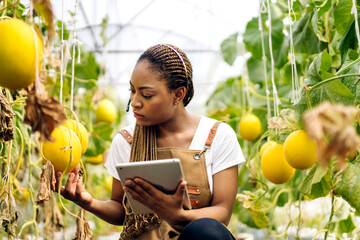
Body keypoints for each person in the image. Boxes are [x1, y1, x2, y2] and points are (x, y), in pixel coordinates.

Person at [55, 44, 245, 240]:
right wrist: (89, 202)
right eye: (132, 91)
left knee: (207, 231)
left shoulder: (217, 136)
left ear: (178, 95)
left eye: (146, 95)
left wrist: (179, 216)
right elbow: (121, 210)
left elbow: (223, 211)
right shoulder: (126, 141)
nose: (135, 101)